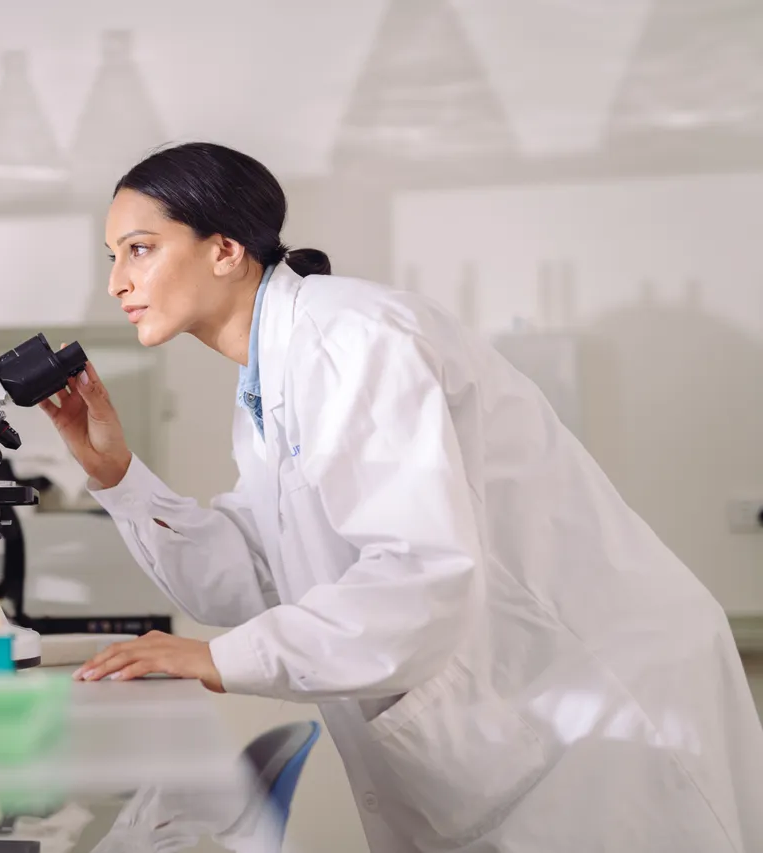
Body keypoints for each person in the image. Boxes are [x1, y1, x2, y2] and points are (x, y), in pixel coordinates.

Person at [38, 142, 763, 852]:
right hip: (519, 715)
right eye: (114, 257)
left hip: (598, 714)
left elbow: (419, 576)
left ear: (224, 249)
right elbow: (256, 573)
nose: (117, 283)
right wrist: (118, 475)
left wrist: (219, 659)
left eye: (139, 249)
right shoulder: (275, 372)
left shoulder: (351, 339)